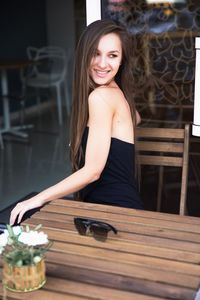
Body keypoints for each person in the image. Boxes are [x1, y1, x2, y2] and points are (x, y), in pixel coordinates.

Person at [10, 19, 143, 225]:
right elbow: (136, 118)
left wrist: (36, 200)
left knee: (25, 215)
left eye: (112, 56)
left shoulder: (100, 97)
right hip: (115, 207)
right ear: (84, 54)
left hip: (112, 214)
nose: (102, 64)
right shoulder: (116, 93)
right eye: (95, 53)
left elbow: (93, 171)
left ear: (121, 61)